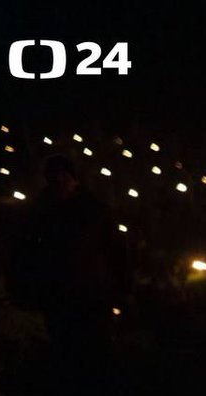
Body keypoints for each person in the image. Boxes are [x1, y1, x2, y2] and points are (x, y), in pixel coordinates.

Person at [10, 154, 127, 366]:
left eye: (65, 176)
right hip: (58, 294)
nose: (60, 182)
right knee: (66, 349)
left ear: (74, 179)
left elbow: (113, 248)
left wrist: (119, 287)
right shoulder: (41, 211)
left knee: (94, 349)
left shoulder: (93, 210)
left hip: (90, 293)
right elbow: (27, 249)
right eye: (55, 177)